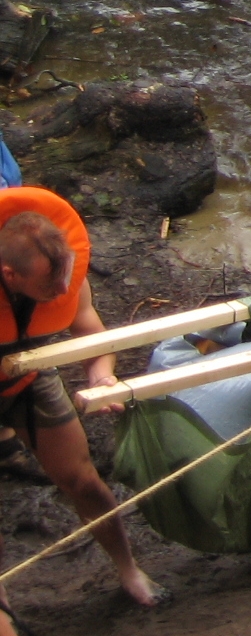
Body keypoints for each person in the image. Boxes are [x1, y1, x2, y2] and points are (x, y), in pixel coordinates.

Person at [0, 190, 162, 626]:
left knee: (84, 481)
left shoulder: (66, 275)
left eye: (64, 280)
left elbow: (93, 337)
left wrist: (101, 376)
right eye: (47, 286)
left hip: (28, 376)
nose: (60, 291)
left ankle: (129, 569)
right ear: (10, 274)